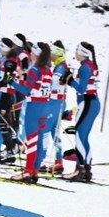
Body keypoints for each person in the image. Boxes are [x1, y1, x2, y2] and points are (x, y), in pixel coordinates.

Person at [9, 42, 53, 183]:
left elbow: (27, 90)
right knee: (39, 141)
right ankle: (35, 171)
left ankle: (28, 171)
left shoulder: (35, 70)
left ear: (36, 54)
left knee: (32, 141)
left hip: (34, 108)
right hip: (45, 106)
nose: (30, 54)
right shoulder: (47, 70)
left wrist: (11, 83)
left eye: (32, 52)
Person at [61, 41, 101, 182]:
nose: (75, 53)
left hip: (87, 102)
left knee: (79, 137)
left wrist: (69, 79)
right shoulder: (90, 65)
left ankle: (81, 170)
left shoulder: (85, 67)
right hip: (91, 102)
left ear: (82, 53)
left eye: (77, 51)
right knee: (83, 137)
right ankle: (86, 169)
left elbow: (81, 88)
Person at [40, 40, 69, 174]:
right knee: (53, 131)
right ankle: (58, 160)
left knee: (45, 130)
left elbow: (54, 84)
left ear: (56, 53)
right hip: (57, 102)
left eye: (52, 52)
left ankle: (41, 160)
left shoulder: (60, 67)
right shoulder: (60, 65)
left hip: (54, 102)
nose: (50, 54)